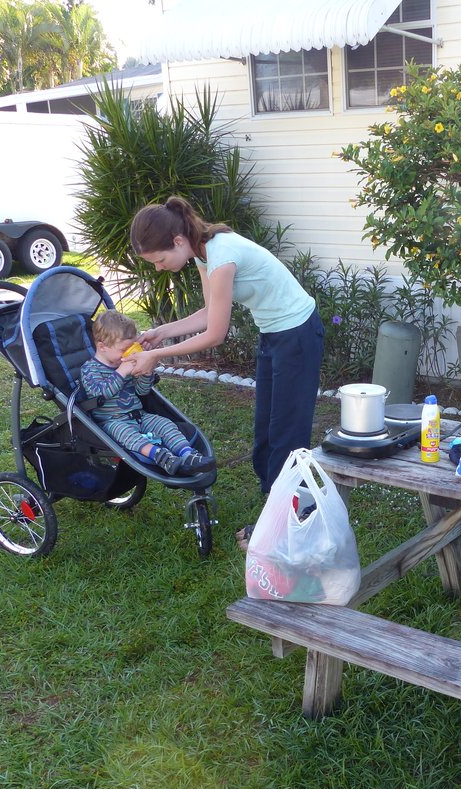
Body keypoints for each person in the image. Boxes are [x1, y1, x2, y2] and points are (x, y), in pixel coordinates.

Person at [126, 196, 324, 547]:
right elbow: (209, 312)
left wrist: (156, 356)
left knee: (286, 435)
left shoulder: (221, 256)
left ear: (177, 241)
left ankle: (284, 524)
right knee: (265, 432)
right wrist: (163, 332)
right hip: (274, 335)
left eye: (159, 260)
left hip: (297, 334)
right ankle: (285, 509)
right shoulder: (204, 253)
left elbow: (215, 334)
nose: (158, 267)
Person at [81, 310, 216, 477]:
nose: (129, 354)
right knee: (126, 434)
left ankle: (188, 454)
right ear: (102, 347)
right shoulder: (90, 369)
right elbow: (99, 394)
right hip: (113, 421)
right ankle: (160, 456)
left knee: (164, 424)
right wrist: (121, 372)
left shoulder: (125, 362)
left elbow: (141, 391)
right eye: (123, 350)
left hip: (139, 415)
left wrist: (146, 374)